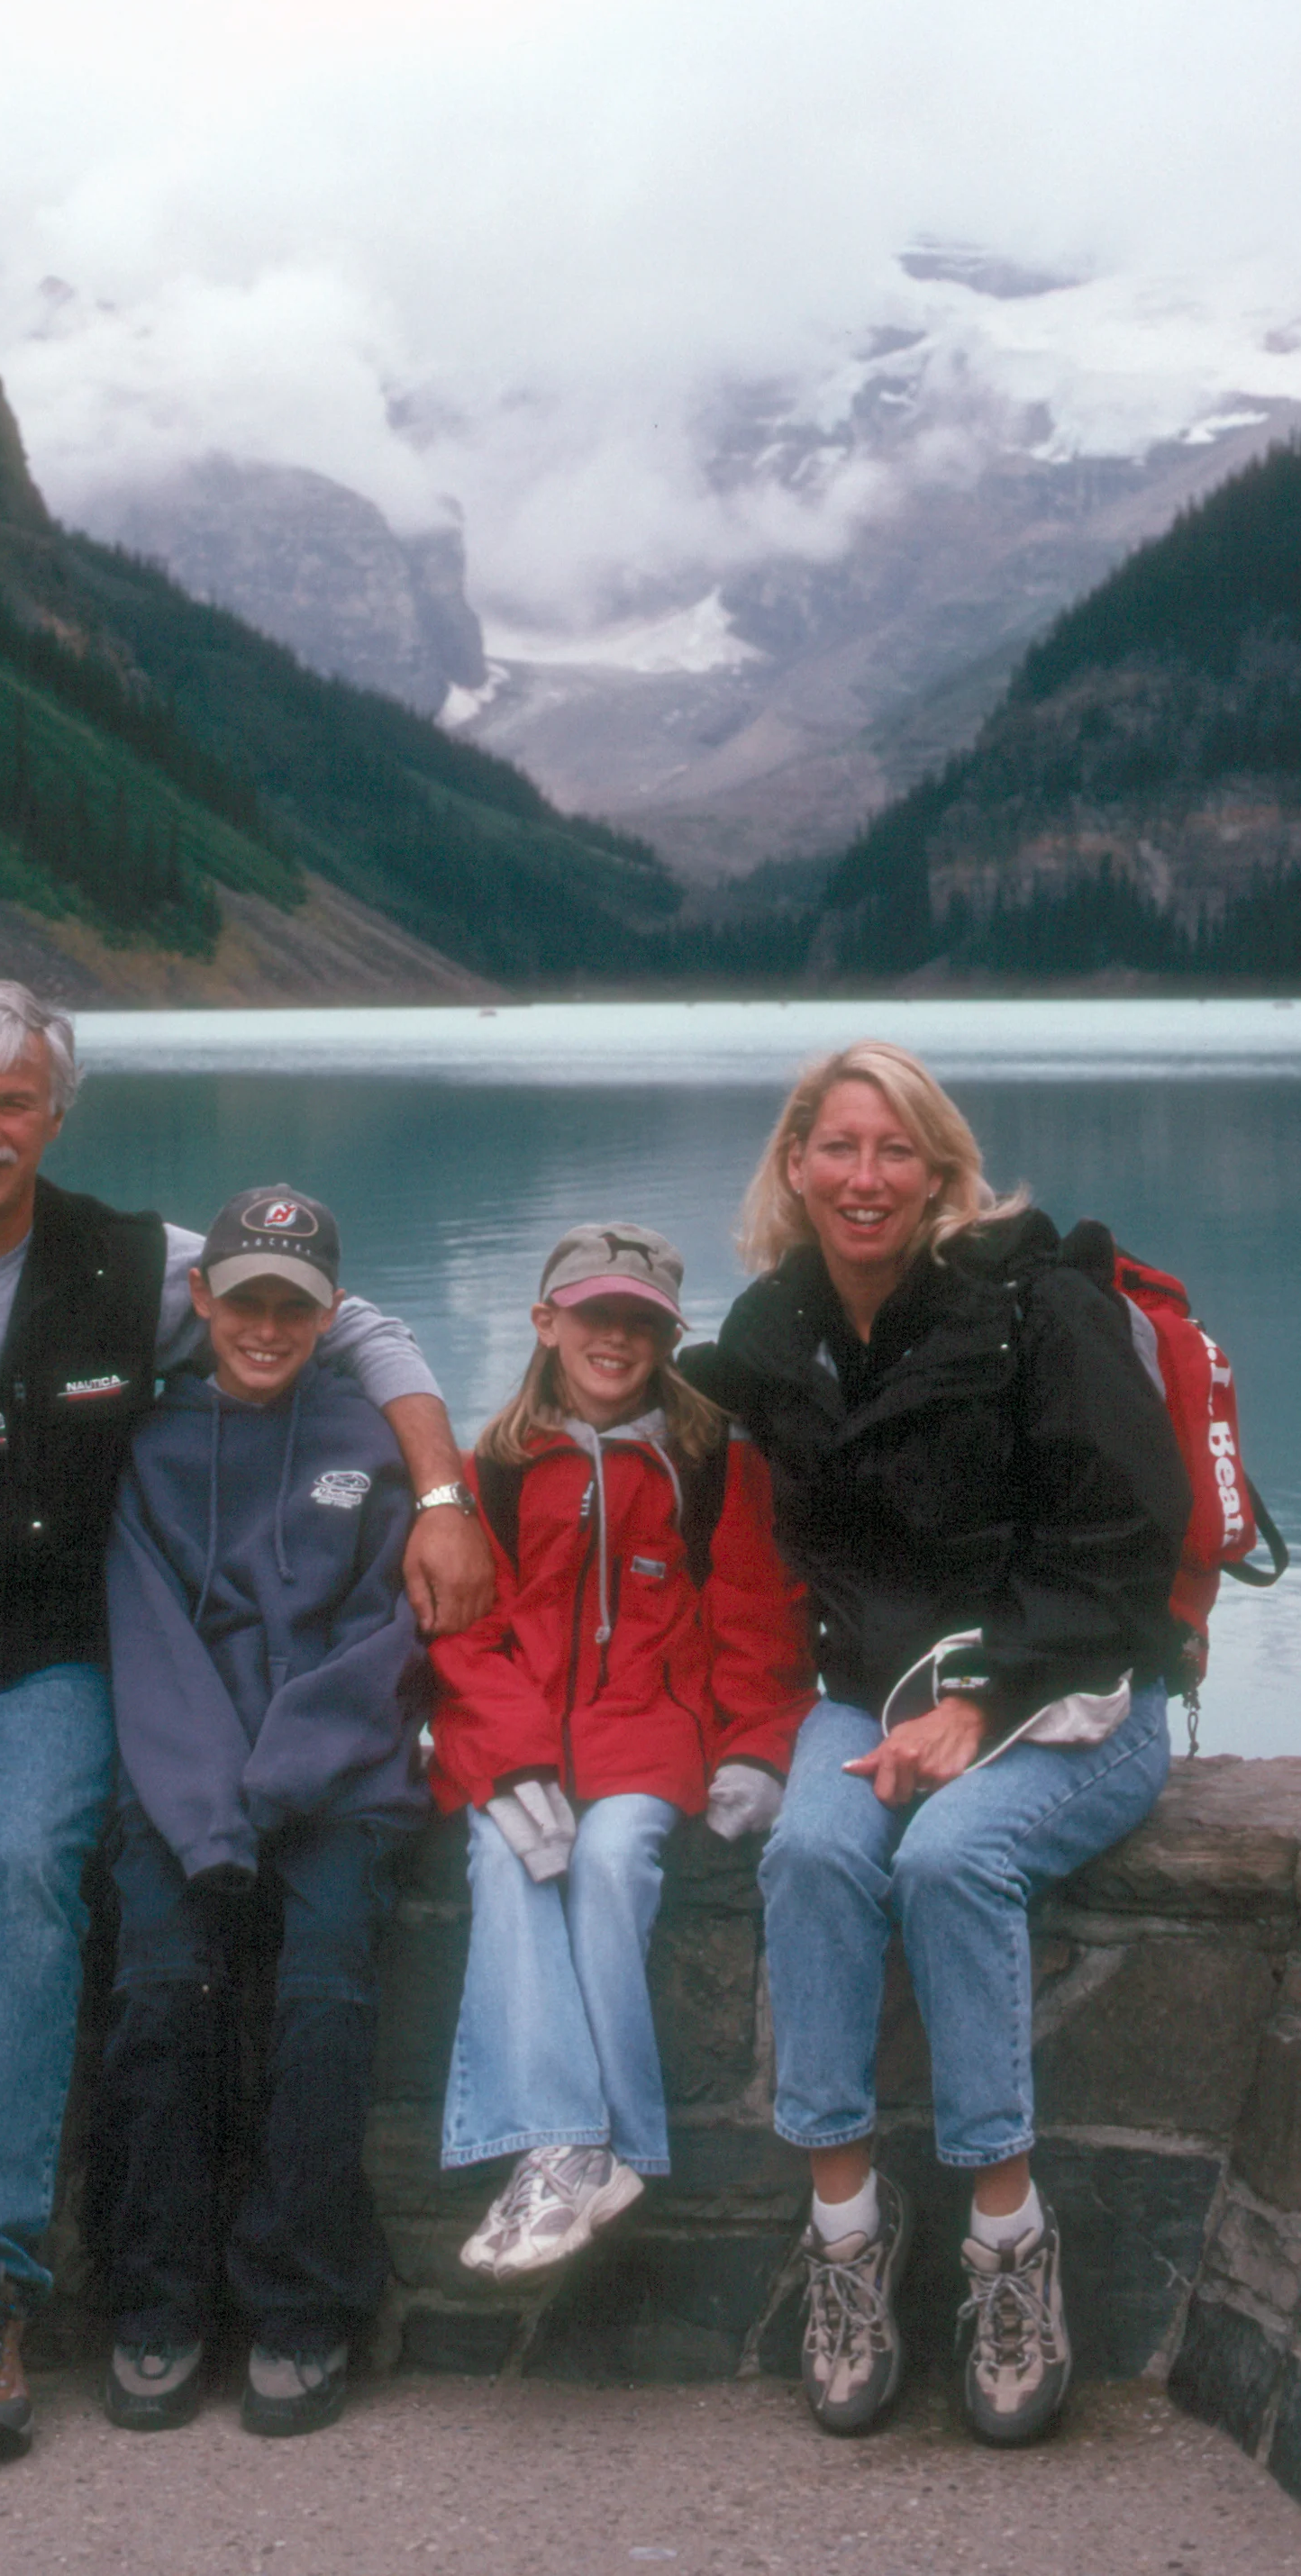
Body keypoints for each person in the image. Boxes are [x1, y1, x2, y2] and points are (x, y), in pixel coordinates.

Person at [0, 982, 491, 2464]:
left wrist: (444, 1496)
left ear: (55, 1119)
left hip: (51, 1669)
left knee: (27, 1872)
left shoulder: (139, 1265)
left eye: (13, 1104)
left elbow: (358, 1320)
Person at [680, 1041, 1189, 2445]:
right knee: (816, 1851)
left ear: (941, 1173)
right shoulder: (775, 1331)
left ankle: (1006, 2246)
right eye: (837, 1147)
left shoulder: (1042, 1312)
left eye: (897, 1150)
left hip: (1079, 1689)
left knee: (956, 1859)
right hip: (878, 1692)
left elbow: (1127, 1549)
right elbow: (746, 1551)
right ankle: (844, 2238)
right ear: (794, 1167)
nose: (865, 1177)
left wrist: (988, 1701)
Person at [95, 1185, 427, 2438]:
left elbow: (383, 1634)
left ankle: (302, 2306)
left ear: (330, 1313)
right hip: (185, 1782)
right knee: (159, 1988)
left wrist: (281, 1781)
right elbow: (148, 1636)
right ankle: (157, 2301)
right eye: (247, 1301)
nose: (269, 1326)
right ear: (203, 1301)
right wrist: (214, 1812)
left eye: (294, 1304)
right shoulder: (146, 1444)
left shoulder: (377, 1442)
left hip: (337, 1783)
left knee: (325, 1997)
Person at [427, 1225, 816, 2278]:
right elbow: (462, 1638)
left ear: (665, 1336)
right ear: (545, 1323)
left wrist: (758, 1754)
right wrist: (506, 1765)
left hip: (653, 1746)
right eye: (593, 1314)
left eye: (639, 1322)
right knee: (504, 1860)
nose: (614, 1338)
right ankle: (569, 2148)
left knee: (608, 1863)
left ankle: (599, 2150)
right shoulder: (492, 1470)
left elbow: (757, 1623)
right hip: (524, 1752)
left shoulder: (709, 1463)